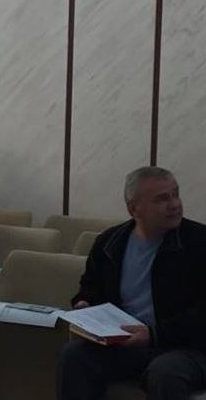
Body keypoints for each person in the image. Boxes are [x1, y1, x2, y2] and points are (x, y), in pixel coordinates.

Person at [57, 166, 206, 400]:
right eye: (162, 199)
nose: (175, 204)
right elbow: (90, 287)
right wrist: (84, 304)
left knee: (165, 372)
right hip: (126, 343)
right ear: (134, 208)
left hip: (188, 347)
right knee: (74, 355)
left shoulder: (199, 242)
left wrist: (154, 334)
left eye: (175, 194)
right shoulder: (109, 243)